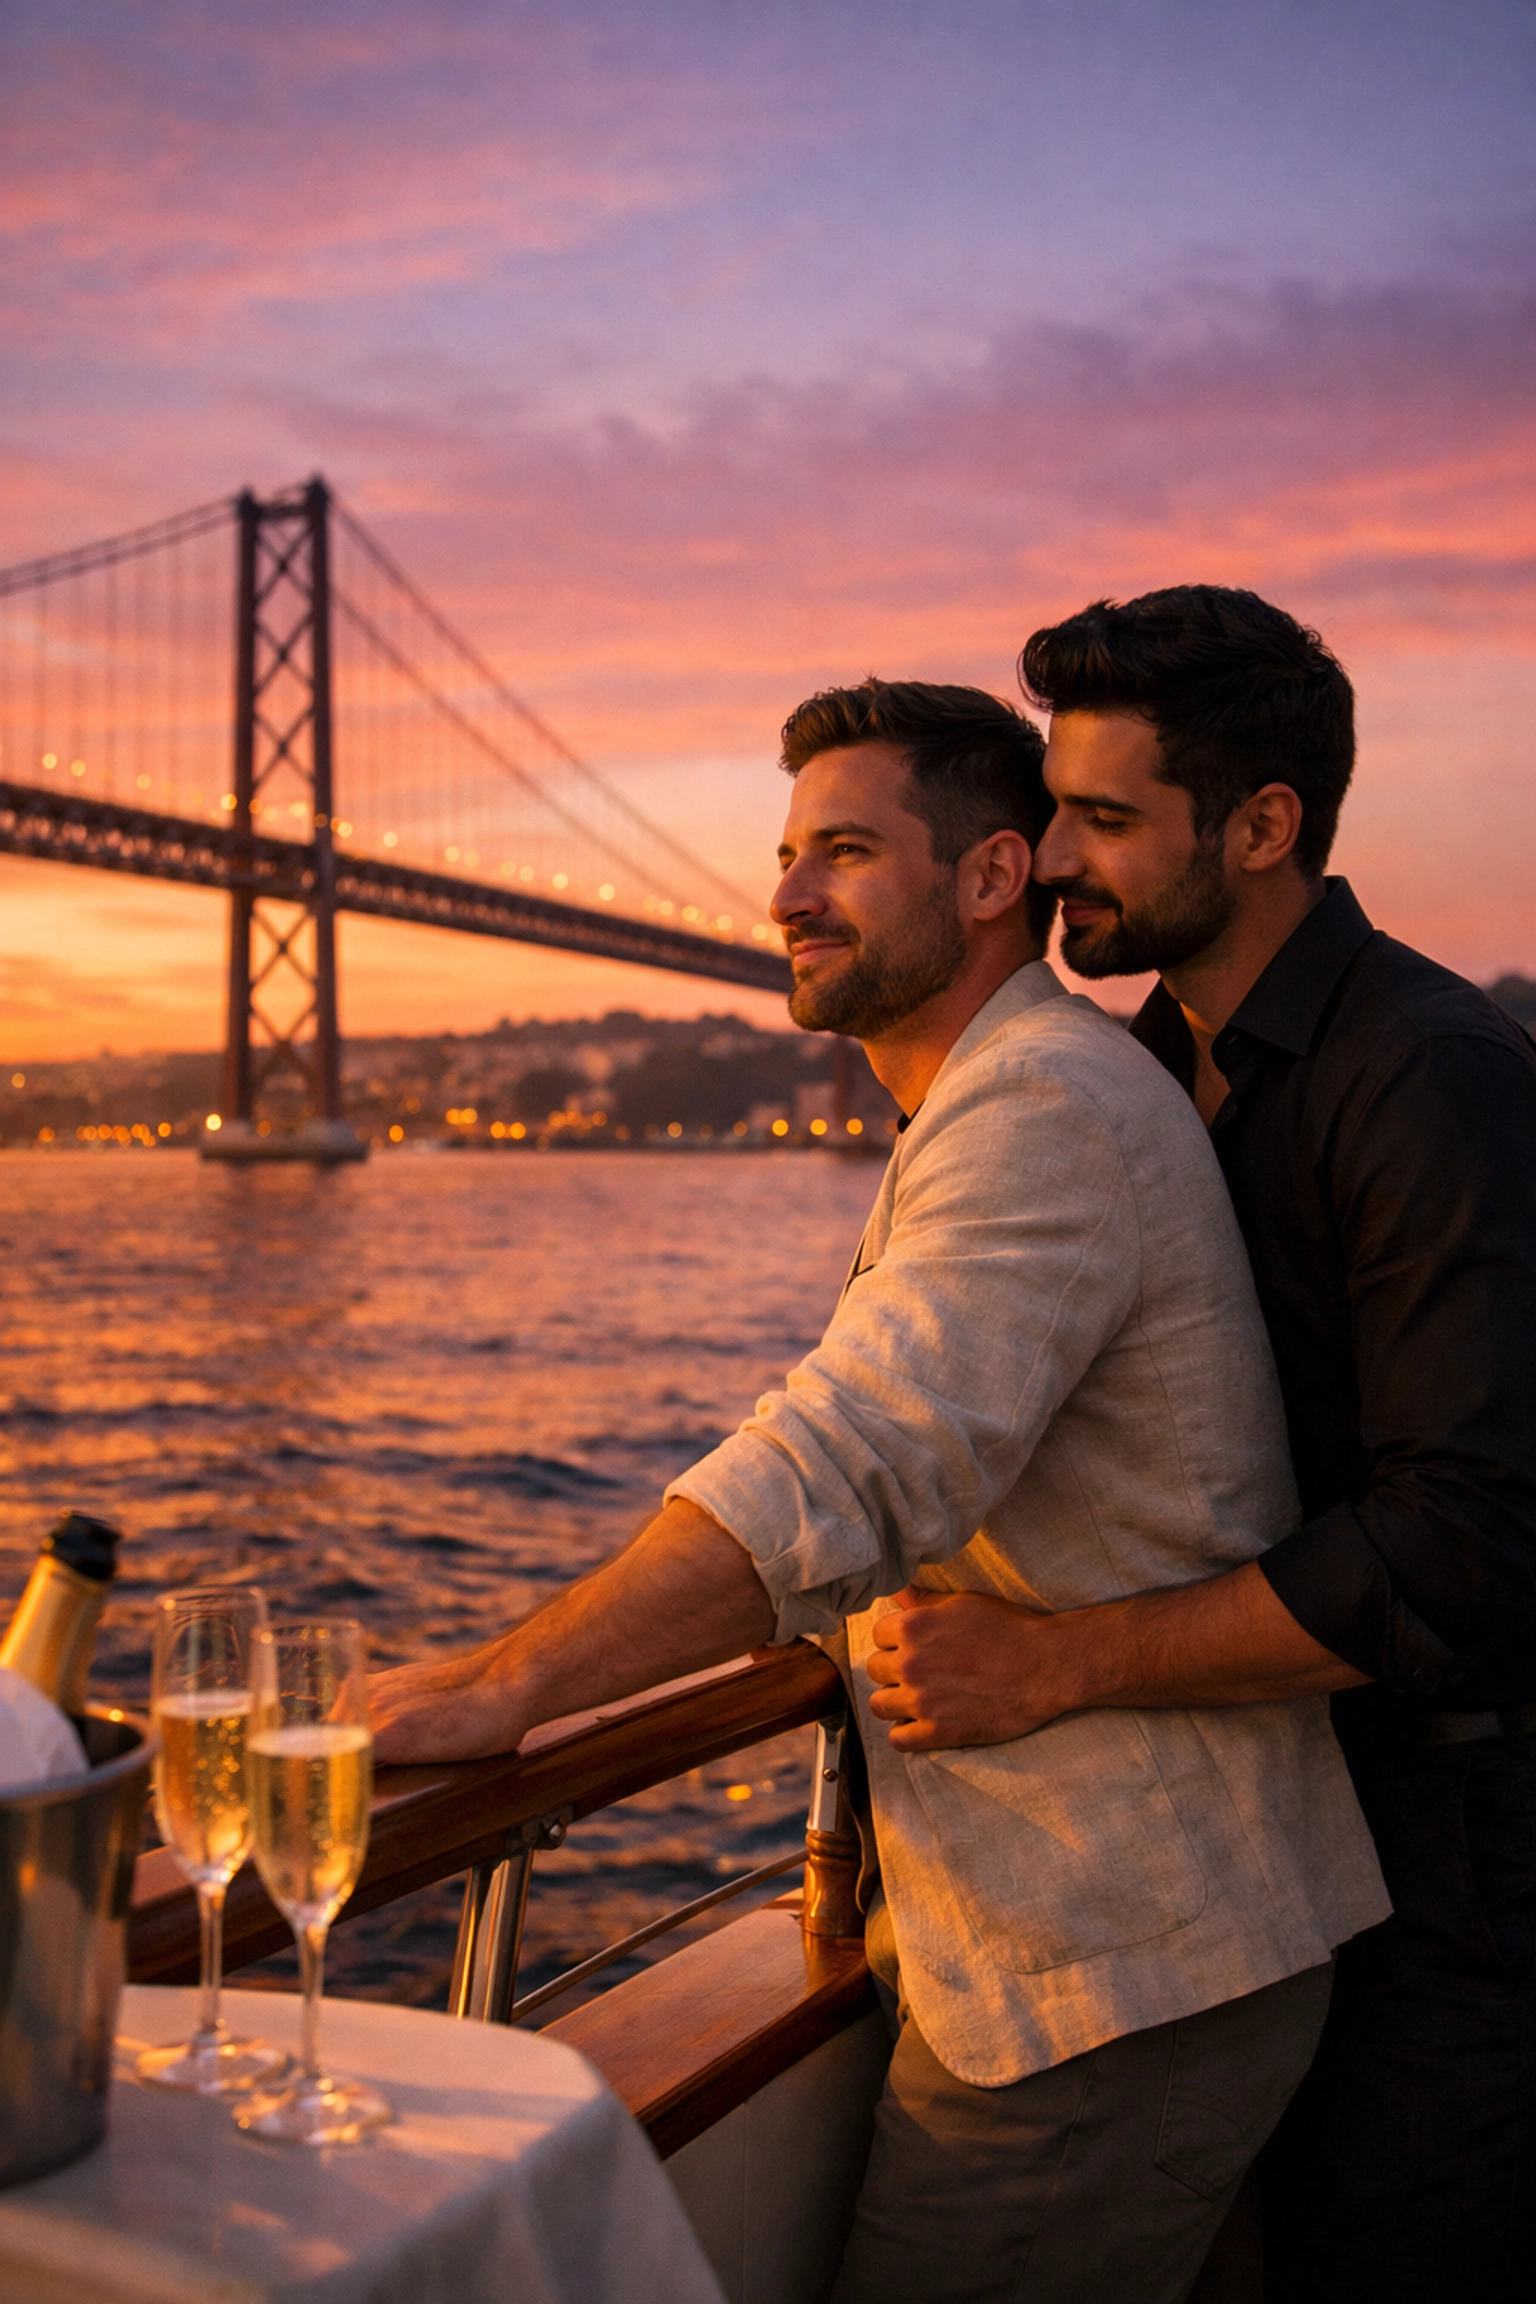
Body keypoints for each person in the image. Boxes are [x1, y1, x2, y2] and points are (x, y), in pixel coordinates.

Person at [371, 677, 1387, 2304]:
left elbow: (847, 1452)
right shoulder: (991, 1098)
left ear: (993, 880)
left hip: (1118, 1972)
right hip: (1100, 1944)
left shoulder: (1041, 1105)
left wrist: (511, 1685)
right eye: (786, 851)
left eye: (843, 850)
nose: (783, 894)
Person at [871, 591, 1536, 2301]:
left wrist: (1057, 1666)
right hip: (1258, 1839)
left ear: (1262, 829)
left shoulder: (1436, 1077)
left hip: (1462, 1853)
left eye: (1103, 819)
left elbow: (1468, 1541)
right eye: (1051, 809)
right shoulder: (1139, 1073)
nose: (1050, 858)